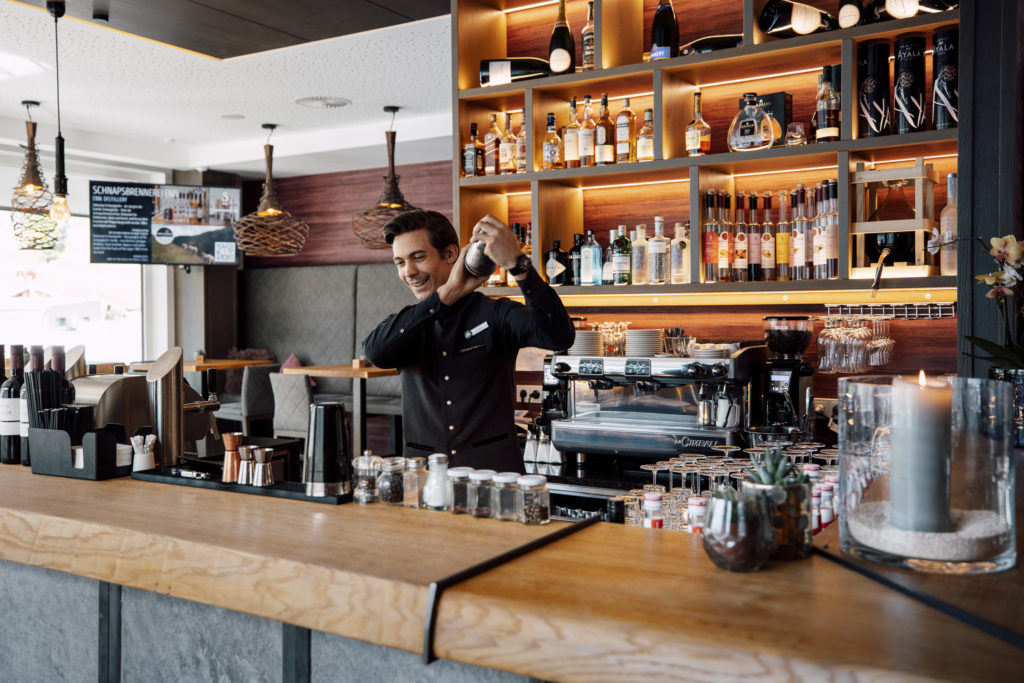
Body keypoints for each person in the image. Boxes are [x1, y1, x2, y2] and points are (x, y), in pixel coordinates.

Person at [363, 210, 575, 472]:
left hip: (493, 476)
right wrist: (445, 295)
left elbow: (559, 336)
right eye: (400, 262)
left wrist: (519, 264)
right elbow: (376, 352)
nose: (409, 272)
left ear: (450, 254)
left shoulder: (496, 314)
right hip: (425, 479)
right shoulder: (407, 326)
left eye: (418, 257)